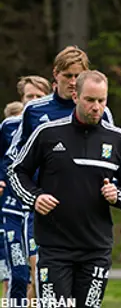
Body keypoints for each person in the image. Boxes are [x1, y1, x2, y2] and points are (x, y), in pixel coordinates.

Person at [8, 70, 121, 307]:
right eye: (90, 100)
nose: (96, 107)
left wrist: (118, 195)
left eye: (101, 100)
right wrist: (35, 197)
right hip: (54, 249)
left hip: (96, 250)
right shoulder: (47, 133)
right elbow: (16, 171)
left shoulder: (118, 140)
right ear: (75, 97)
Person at [0, 76, 51, 302]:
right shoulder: (9, 126)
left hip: (39, 209)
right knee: (19, 275)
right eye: (29, 96)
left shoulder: (53, 127)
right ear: (22, 99)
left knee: (41, 274)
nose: (33, 101)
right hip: (12, 210)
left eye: (39, 97)